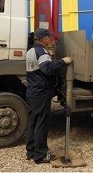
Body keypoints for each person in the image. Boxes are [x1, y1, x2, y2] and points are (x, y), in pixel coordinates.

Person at [25, 28, 72, 164]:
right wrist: (63, 61)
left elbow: (38, 67)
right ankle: (40, 155)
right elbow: (47, 69)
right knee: (41, 124)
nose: (50, 39)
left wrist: (48, 57)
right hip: (41, 93)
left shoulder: (31, 50)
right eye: (48, 37)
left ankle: (31, 151)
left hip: (32, 92)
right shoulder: (42, 51)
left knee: (33, 122)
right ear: (43, 38)